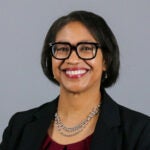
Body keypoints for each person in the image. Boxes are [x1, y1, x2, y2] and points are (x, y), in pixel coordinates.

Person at [0, 10, 150, 150]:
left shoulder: (140, 132)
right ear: (50, 58)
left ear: (106, 60)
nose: (72, 59)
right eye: (62, 49)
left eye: (85, 48)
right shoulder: (20, 126)